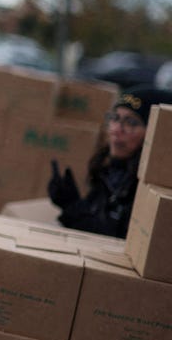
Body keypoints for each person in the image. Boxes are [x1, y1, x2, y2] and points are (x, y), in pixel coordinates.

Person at [48, 85, 172, 237]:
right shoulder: (109, 174)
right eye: (114, 118)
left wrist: (72, 208)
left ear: (154, 133)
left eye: (131, 123)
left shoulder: (149, 191)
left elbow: (114, 239)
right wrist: (73, 203)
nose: (116, 130)